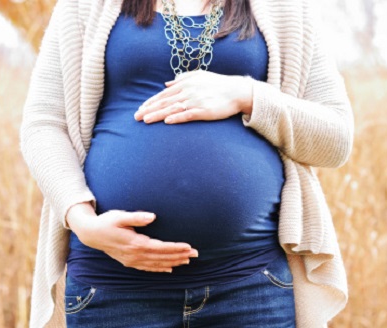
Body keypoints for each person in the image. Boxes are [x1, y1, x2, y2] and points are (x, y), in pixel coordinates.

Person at [20, 0, 354, 327]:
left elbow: (336, 138)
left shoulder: (285, 8)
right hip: (113, 289)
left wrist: (246, 95)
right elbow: (44, 123)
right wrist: (82, 221)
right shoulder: (85, 6)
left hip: (250, 287)